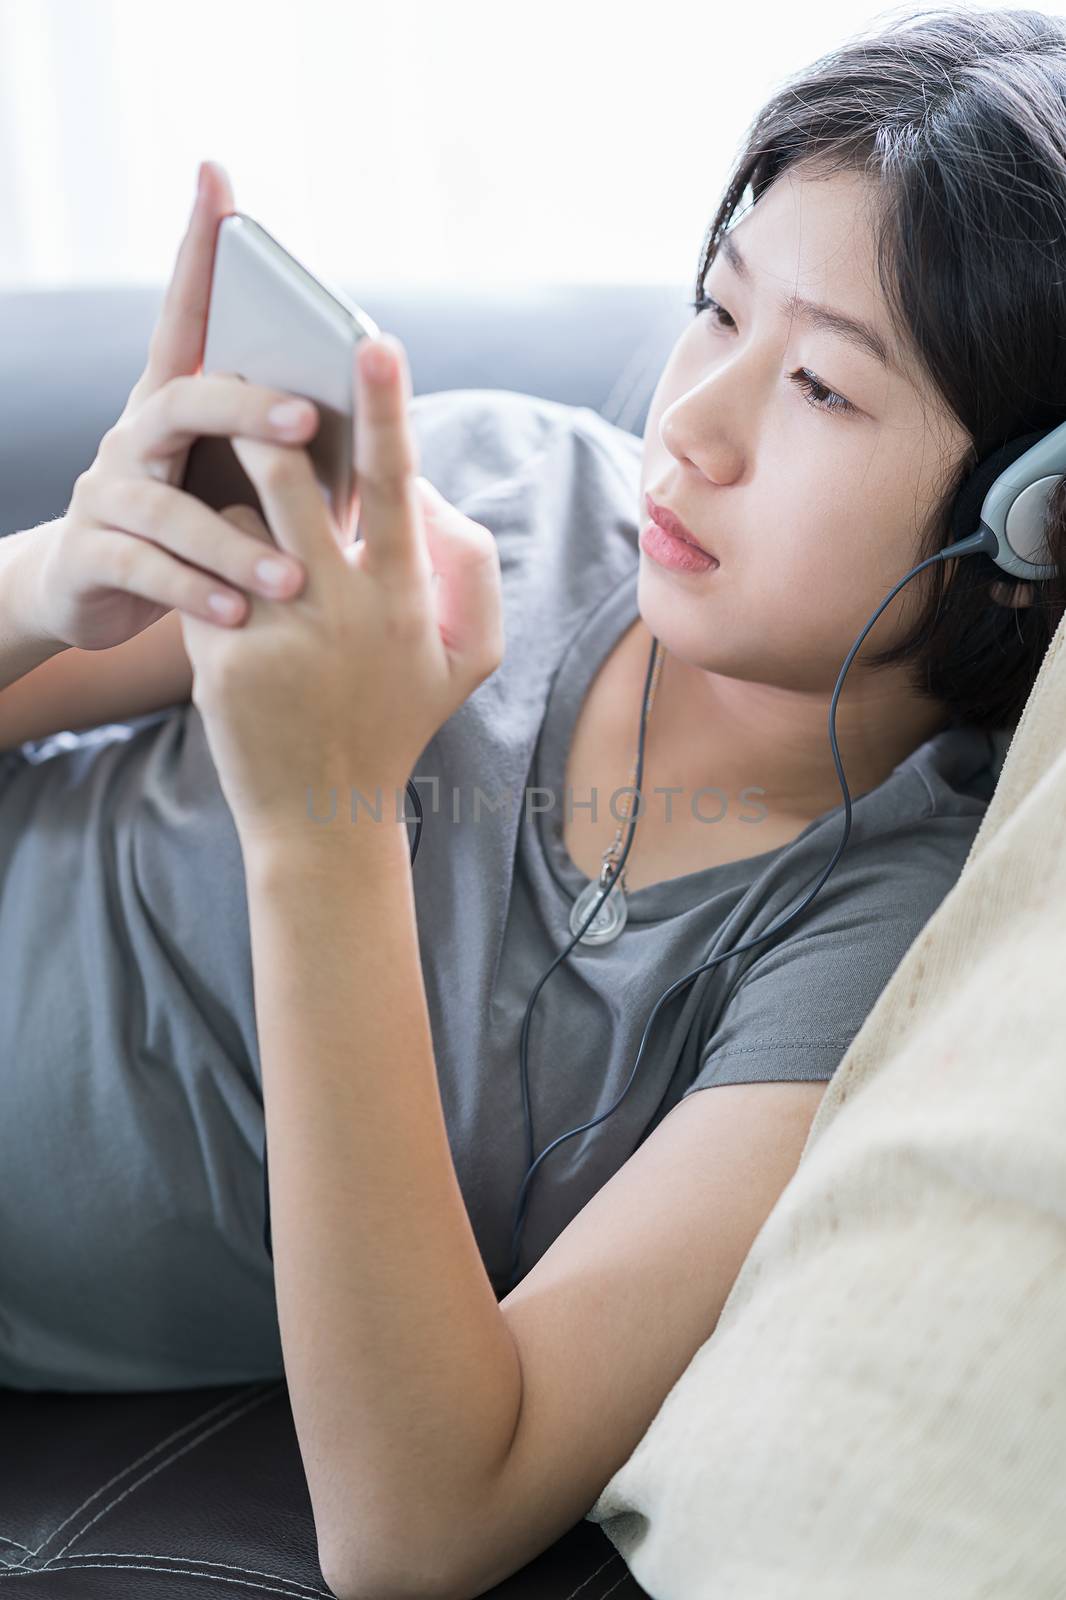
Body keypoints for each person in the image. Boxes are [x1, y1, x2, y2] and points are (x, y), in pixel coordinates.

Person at [0, 0, 1062, 1424]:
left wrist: (326, 820)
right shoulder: (497, 484)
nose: (687, 425)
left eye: (818, 384)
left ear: (1027, 528)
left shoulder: (873, 938)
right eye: (718, 307)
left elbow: (418, 1521)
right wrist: (61, 579)